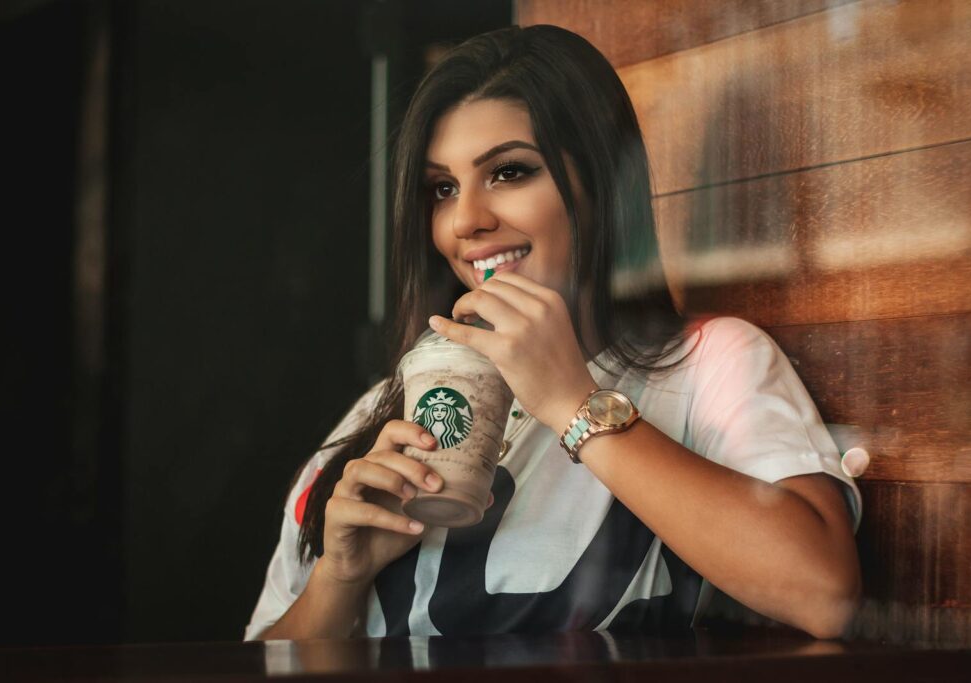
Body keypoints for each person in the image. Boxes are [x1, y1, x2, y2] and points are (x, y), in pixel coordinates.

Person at [245, 24, 861, 641]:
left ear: (600, 183)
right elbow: (259, 656)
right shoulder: (379, 414)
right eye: (443, 188)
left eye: (510, 172)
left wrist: (571, 402)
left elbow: (824, 596)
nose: (465, 220)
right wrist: (340, 578)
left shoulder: (708, 363)